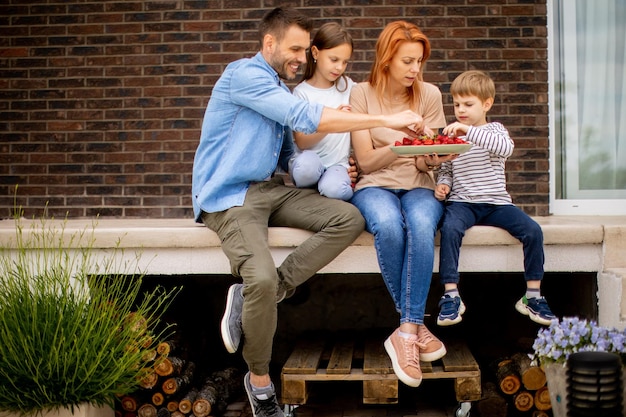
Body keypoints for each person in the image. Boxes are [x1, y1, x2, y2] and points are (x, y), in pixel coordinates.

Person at [191, 8, 429, 417]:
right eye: (294, 49)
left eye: (304, 49)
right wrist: (385, 118)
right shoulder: (243, 75)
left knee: (348, 217)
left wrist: (343, 165)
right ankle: (261, 385)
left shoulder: (278, 88)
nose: (300, 58)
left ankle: (254, 297)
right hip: (230, 197)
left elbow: (289, 152)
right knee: (261, 277)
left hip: (269, 190)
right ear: (270, 44)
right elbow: (302, 116)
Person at [349, 21, 458, 389]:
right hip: (374, 186)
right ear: (386, 59)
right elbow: (364, 161)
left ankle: (405, 333)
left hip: (419, 185)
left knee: (422, 225)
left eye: (419, 62)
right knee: (389, 226)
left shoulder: (429, 94)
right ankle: (415, 327)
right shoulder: (361, 94)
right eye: (408, 61)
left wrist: (431, 152)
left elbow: (430, 160)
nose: (415, 70)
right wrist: (401, 144)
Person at [434, 70, 557, 327]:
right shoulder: (453, 134)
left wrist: (468, 130)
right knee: (450, 228)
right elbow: (446, 168)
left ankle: (532, 295)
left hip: (496, 203)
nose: (461, 110)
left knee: (533, 230)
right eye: (457, 104)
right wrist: (443, 185)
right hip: (463, 202)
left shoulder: (494, 130)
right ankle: (451, 294)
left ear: (486, 104)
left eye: (468, 104)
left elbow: (505, 148)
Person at [290, 22, 355, 201]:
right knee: (306, 169)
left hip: (338, 165)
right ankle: (312, 194)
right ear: (316, 53)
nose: (339, 67)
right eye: (334, 60)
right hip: (308, 160)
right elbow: (302, 142)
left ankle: (329, 189)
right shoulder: (302, 93)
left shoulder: (349, 87)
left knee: (335, 189)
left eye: (345, 62)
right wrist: (333, 120)